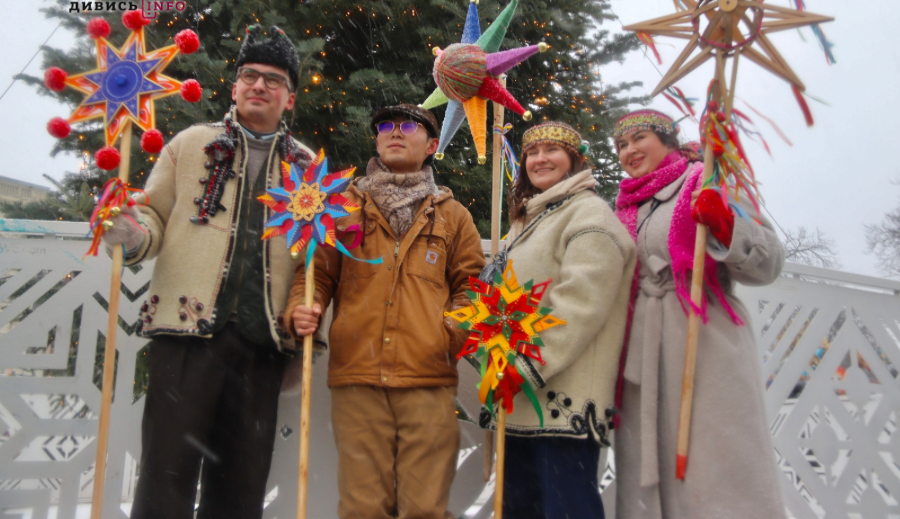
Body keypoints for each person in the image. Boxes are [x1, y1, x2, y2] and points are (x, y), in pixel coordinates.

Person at [99, 25, 318, 519]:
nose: (259, 85)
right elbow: (153, 216)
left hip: (261, 346)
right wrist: (131, 232)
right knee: (166, 476)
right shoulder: (190, 144)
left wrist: (307, 325)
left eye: (274, 80)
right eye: (250, 75)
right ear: (235, 86)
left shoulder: (308, 168)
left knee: (242, 485)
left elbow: (316, 259)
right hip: (184, 338)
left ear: (290, 98)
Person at [286, 103, 486, 519]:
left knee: (425, 505)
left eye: (409, 125)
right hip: (357, 376)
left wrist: (447, 331)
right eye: (386, 126)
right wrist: (305, 306)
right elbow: (315, 274)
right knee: (362, 505)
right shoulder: (339, 205)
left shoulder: (453, 216)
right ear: (376, 139)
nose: (396, 131)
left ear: (431, 144)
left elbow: (472, 288)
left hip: (428, 379)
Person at [612, 109, 787, 519]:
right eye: (621, 145)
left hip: (703, 341)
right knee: (646, 469)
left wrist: (726, 223)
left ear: (669, 141)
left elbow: (769, 263)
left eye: (640, 138)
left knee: (717, 463)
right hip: (641, 351)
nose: (629, 150)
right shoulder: (623, 207)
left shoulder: (706, 182)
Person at [492, 121, 636, 519]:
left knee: (566, 509)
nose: (540, 159)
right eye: (532, 153)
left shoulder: (589, 215)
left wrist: (526, 364)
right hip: (521, 397)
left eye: (552, 150)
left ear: (574, 160)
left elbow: (579, 304)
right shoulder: (528, 220)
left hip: (563, 402)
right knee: (520, 508)